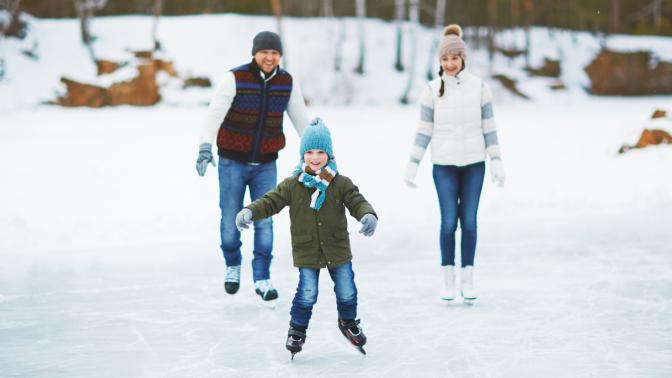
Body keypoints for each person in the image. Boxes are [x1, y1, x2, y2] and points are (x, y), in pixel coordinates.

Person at [235, 118, 377, 357]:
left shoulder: (341, 183)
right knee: (307, 293)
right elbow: (271, 201)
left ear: (329, 155)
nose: (314, 157)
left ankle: (348, 322)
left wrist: (368, 214)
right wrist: (250, 210)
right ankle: (297, 329)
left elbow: (357, 201)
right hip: (307, 250)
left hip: (337, 248)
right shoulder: (293, 184)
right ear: (302, 155)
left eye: (321, 152)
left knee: (347, 290)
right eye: (309, 152)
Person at [195, 31, 309, 302]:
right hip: (232, 162)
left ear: (279, 56)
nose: (269, 57)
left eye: (274, 53)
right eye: (264, 52)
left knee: (265, 222)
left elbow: (301, 119)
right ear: (254, 54)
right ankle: (233, 264)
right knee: (230, 220)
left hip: (266, 164)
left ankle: (262, 277)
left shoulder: (287, 82)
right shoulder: (234, 78)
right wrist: (204, 146)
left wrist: (318, 152)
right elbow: (215, 113)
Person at [404, 24, 506, 302]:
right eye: (445, 59)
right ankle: (448, 280)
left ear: (463, 59)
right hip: (444, 166)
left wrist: (496, 160)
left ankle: (467, 279)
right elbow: (423, 131)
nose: (450, 64)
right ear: (440, 61)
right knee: (449, 222)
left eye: (454, 58)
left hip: (474, 165)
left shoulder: (480, 88)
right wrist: (413, 162)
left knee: (469, 222)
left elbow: (489, 127)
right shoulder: (432, 90)